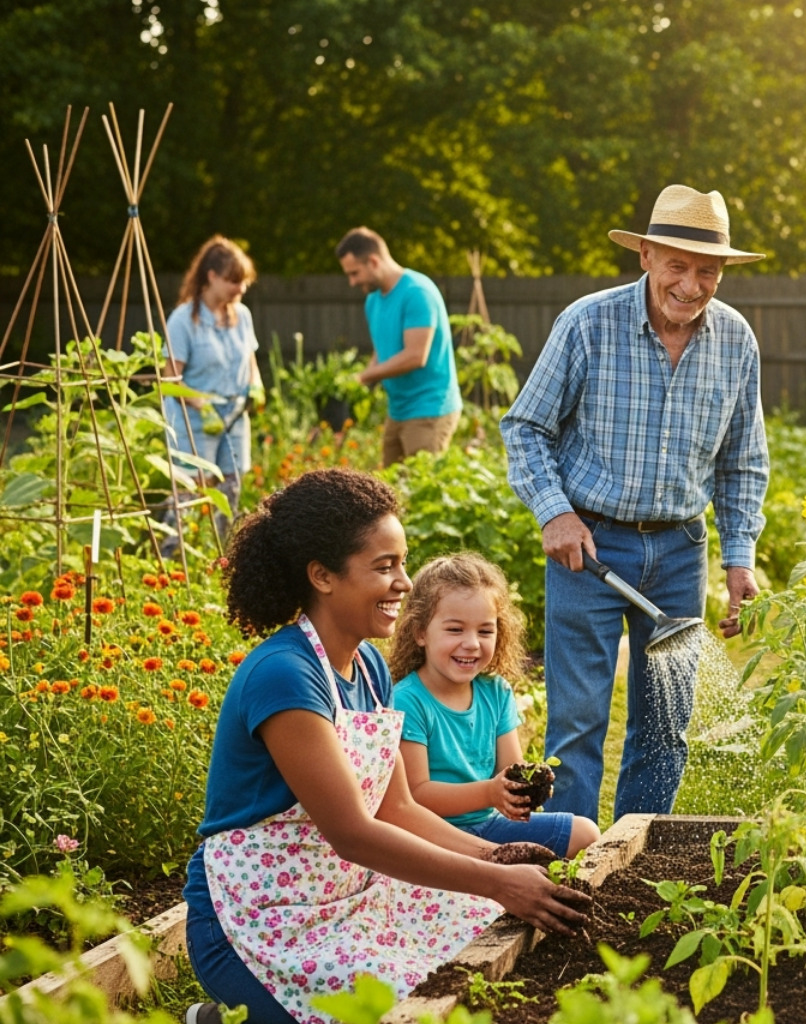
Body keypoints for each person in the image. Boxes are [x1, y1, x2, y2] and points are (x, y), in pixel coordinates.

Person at [182, 469, 587, 1024]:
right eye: (384, 566)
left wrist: (495, 856)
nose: (405, 583)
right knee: (407, 1005)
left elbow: (397, 807)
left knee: (473, 941)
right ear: (323, 576)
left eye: (402, 562)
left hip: (347, 893)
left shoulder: (370, 665)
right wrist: (496, 879)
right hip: (258, 917)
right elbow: (353, 833)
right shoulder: (285, 676)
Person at [501, 184, 769, 822]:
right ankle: (565, 867)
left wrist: (740, 559)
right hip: (589, 546)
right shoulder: (587, 323)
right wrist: (554, 511)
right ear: (645, 255)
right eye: (677, 264)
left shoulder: (736, 341)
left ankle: (631, 865)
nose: (692, 283)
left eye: (708, 270)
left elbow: (743, 460)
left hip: (680, 551)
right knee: (579, 724)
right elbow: (525, 427)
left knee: (667, 728)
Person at [389, 552, 600, 857]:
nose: (472, 643)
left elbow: (509, 772)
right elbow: (417, 795)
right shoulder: (408, 699)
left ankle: (503, 867)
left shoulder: (495, 692)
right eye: (455, 629)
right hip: (433, 836)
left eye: (485, 630)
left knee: (586, 833)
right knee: (514, 861)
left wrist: (526, 788)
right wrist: (489, 792)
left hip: (489, 825)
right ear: (420, 632)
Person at [161, 236, 264, 553]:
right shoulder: (183, 320)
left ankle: (225, 554)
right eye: (234, 281)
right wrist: (201, 404)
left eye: (244, 281)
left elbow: (250, 359)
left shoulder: (241, 315)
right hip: (194, 418)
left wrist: (256, 386)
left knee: (231, 486)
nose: (240, 289)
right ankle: (169, 551)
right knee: (192, 489)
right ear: (211, 276)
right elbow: (169, 380)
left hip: (234, 415)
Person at [335, 227, 461, 466]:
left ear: (373, 261)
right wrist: (360, 382)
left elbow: (415, 356)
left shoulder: (417, 293)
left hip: (429, 408)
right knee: (389, 491)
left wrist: (363, 377)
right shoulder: (373, 299)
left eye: (355, 273)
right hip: (398, 409)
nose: (352, 282)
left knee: (421, 491)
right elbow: (382, 351)